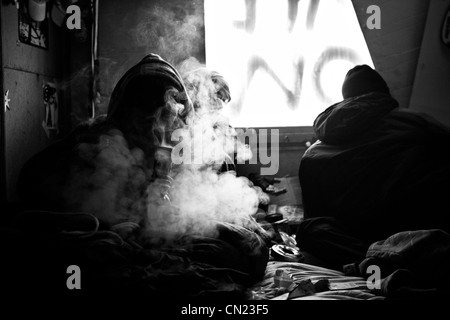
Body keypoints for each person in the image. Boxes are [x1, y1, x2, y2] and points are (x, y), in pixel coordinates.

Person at [4, 54, 270, 299]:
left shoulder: (176, 142)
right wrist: (114, 218)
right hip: (116, 237)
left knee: (248, 247)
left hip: (156, 236)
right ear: (125, 112)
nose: (158, 129)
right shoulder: (95, 139)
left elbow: (187, 196)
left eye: (168, 117)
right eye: (146, 119)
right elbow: (31, 183)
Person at [296, 64, 450, 270]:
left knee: (309, 230)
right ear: (383, 94)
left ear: (346, 99)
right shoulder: (418, 122)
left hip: (359, 237)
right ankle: (398, 255)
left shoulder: (313, 154)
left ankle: (374, 259)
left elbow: (315, 216)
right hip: (417, 228)